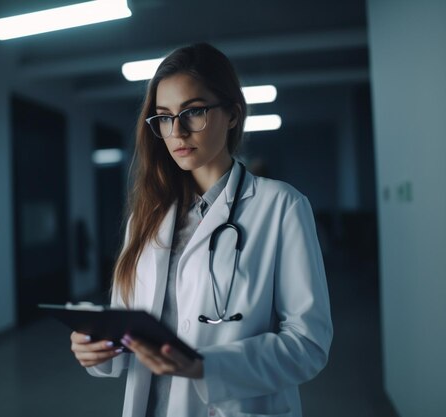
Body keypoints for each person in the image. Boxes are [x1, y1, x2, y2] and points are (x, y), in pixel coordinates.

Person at [70, 42, 333, 417]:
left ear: (231, 114)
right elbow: (128, 333)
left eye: (193, 112)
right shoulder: (146, 218)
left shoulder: (281, 206)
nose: (176, 131)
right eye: (163, 117)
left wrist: (204, 366)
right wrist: (98, 351)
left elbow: (309, 346)